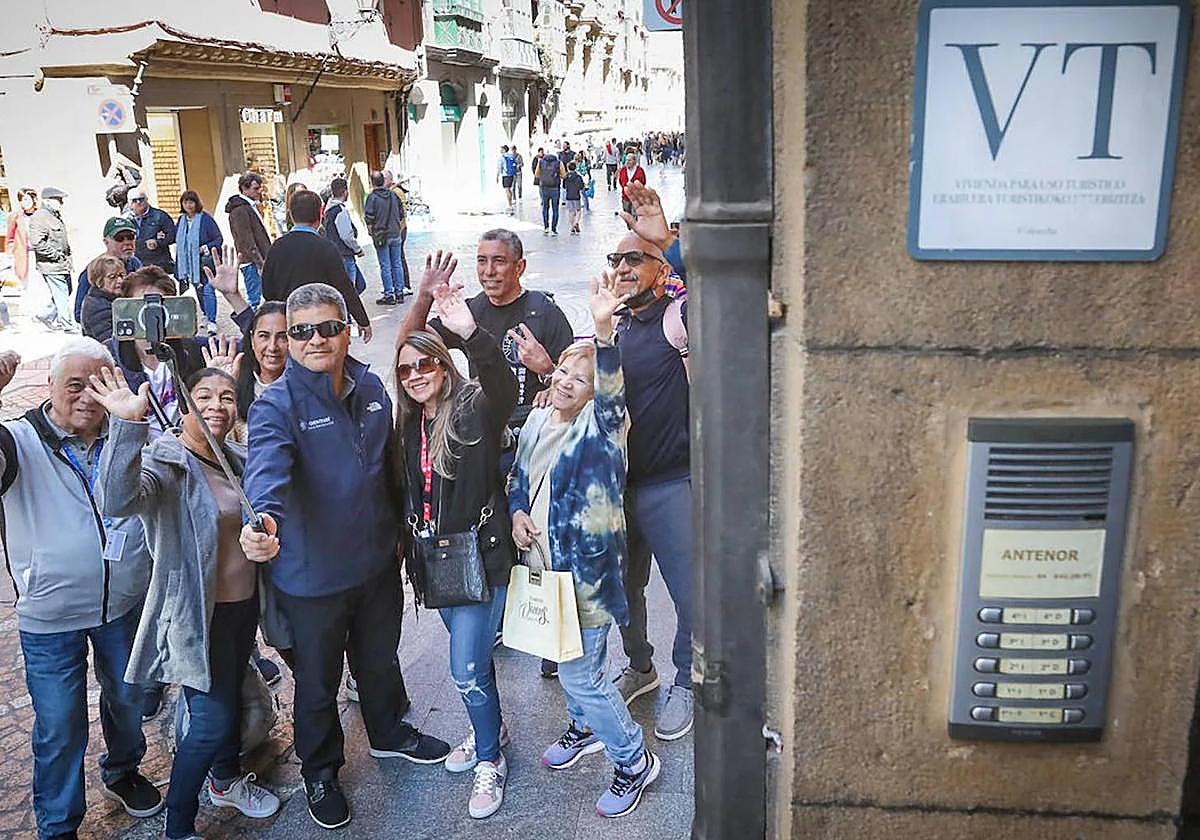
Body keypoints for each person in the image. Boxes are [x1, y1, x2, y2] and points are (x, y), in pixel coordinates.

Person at [240, 283, 448, 830]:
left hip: (377, 564)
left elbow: (390, 463)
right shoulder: (275, 407)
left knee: (380, 660)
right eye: (302, 331)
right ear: (289, 338)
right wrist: (262, 521)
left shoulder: (372, 386)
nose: (317, 340)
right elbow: (266, 473)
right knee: (318, 684)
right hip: (314, 579)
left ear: (347, 331)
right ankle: (320, 770)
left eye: (329, 327)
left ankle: (389, 732)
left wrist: (403, 529)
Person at [92, 366, 281, 840]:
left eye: (227, 397)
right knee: (211, 722)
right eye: (204, 395)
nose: (217, 405)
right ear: (183, 403)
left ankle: (225, 781)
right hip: (198, 617)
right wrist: (126, 426)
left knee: (230, 705)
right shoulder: (166, 461)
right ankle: (178, 826)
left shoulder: (235, 457)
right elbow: (117, 500)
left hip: (241, 611)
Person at [509, 273, 661, 818]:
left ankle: (633, 759)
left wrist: (602, 333)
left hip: (588, 576)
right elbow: (518, 478)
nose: (569, 383)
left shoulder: (604, 427)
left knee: (583, 675)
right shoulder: (537, 421)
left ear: (598, 391)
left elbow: (612, 392)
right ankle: (582, 726)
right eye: (564, 372)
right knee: (562, 657)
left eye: (583, 378)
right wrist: (517, 512)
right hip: (544, 571)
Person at [0, 340, 162, 839]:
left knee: (129, 701)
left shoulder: (128, 430)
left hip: (124, 604)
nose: (88, 397)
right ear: (49, 386)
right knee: (60, 725)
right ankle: (58, 825)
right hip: (50, 617)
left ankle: (123, 771)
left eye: (99, 384)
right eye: (75, 385)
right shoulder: (16, 441)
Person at [394, 277, 518, 819]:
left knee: (466, 669)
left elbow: (503, 387)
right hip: (436, 561)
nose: (416, 375)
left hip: (479, 558)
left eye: (426, 364)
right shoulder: (409, 423)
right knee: (476, 662)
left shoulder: (472, 408)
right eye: (406, 370)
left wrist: (472, 335)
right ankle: (492, 728)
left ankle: (490, 759)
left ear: (444, 366)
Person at [606, 182, 695, 741]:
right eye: (615, 260)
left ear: (662, 272)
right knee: (623, 591)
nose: (621, 268)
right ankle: (640, 667)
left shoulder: (678, 317)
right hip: (620, 486)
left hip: (672, 483)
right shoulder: (616, 323)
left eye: (634, 259)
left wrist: (667, 241)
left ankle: (687, 679)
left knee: (690, 594)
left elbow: (717, 295)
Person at [399, 231, 573, 439]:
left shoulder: (545, 312)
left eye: (499, 261)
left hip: (535, 431)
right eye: (482, 261)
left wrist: (549, 374)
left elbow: (580, 382)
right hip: (488, 431)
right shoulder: (468, 313)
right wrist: (425, 297)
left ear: (519, 267)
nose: (489, 271)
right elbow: (407, 345)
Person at [107, 251, 254, 439]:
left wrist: (234, 298)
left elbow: (259, 344)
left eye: (160, 307)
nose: (152, 316)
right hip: (141, 451)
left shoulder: (190, 348)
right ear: (128, 308)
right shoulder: (111, 358)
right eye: (143, 307)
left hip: (187, 446)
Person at [261, 189, 372, 343]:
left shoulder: (276, 247)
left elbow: (267, 290)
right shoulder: (326, 248)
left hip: (291, 324)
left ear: (291, 214)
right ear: (320, 214)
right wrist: (362, 320)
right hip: (322, 327)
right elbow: (345, 288)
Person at [74, 217, 143, 323]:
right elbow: (79, 313)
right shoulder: (93, 269)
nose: (127, 242)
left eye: (130, 237)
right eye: (119, 238)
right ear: (106, 242)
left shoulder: (136, 263)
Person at [28, 186, 77, 332]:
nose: (61, 203)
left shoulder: (53, 215)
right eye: (58, 200)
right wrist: (56, 256)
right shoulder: (40, 217)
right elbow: (37, 243)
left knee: (66, 290)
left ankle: (46, 315)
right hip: (51, 264)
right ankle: (67, 324)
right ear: (48, 201)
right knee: (61, 292)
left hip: (61, 263)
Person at [176, 190, 225, 332]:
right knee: (199, 289)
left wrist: (205, 247)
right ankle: (205, 314)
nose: (188, 205)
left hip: (205, 263)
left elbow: (218, 238)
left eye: (191, 202)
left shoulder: (205, 219)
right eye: (185, 202)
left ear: (196, 203)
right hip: (190, 265)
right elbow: (177, 239)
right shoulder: (181, 221)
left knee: (208, 290)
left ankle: (212, 320)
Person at [225, 171, 272, 307]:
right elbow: (246, 240)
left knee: (261, 296)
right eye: (255, 188)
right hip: (251, 261)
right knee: (254, 299)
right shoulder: (240, 210)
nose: (259, 191)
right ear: (244, 189)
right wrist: (259, 263)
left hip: (255, 259)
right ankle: (251, 320)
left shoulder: (249, 207)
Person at [363, 171, 408, 305]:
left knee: (385, 266)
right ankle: (399, 292)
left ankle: (389, 295)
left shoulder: (372, 198)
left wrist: (371, 232)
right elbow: (401, 214)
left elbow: (369, 218)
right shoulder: (394, 195)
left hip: (381, 236)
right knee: (397, 263)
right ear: (383, 181)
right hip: (395, 233)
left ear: (372, 182)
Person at [323, 177, 367, 296]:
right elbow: (346, 235)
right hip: (345, 254)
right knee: (350, 290)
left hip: (336, 253)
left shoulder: (328, 210)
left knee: (358, 285)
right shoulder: (340, 211)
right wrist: (357, 249)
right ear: (345, 192)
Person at [126, 187, 176, 278]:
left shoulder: (160, 216)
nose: (138, 202)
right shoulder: (127, 221)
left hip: (159, 266)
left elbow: (173, 236)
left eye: (141, 199)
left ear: (147, 200)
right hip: (137, 267)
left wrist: (158, 242)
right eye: (134, 200)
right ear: (129, 204)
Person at [80, 256, 127, 341]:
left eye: (122, 275)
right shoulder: (95, 305)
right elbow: (109, 341)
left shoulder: (116, 298)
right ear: (99, 280)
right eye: (112, 277)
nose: (120, 281)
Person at [535, 150, 567, 236]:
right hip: (555, 188)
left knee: (545, 208)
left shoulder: (541, 162)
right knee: (555, 209)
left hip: (544, 188)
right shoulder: (559, 163)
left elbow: (537, 174)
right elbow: (564, 175)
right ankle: (553, 229)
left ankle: (546, 227)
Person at [564, 165, 585, 236]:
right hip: (576, 196)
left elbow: (564, 186)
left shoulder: (566, 177)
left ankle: (572, 226)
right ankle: (576, 223)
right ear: (575, 168)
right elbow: (581, 187)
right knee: (578, 210)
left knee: (571, 212)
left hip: (568, 196)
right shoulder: (578, 177)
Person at [497, 145, 517, 212]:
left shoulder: (502, 157)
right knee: (509, 189)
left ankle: (510, 205)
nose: (500, 150)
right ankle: (510, 203)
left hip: (506, 175)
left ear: (504, 150)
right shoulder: (511, 156)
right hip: (511, 175)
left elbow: (499, 168)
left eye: (501, 149)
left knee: (507, 190)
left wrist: (497, 176)